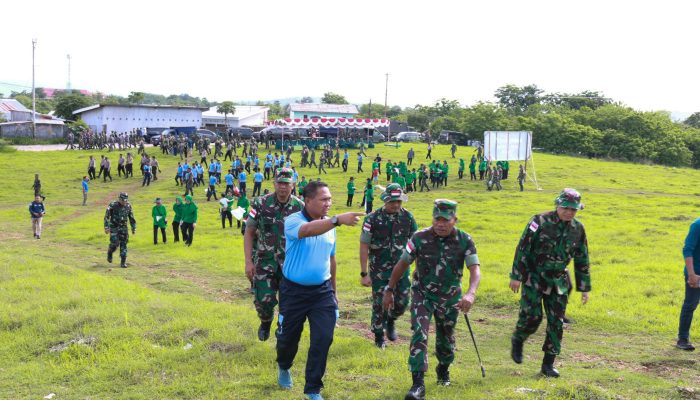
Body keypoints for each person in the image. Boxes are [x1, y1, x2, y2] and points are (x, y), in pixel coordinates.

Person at [383, 199, 481, 400]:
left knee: (446, 338)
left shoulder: (465, 240)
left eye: (446, 220)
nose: (440, 224)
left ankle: (443, 369)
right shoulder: (419, 238)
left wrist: (470, 293)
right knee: (420, 332)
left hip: (450, 297)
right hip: (423, 294)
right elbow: (402, 264)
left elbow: (474, 269)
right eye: (437, 219)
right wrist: (389, 289)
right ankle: (417, 385)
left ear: (454, 219)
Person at [275, 181, 364, 400]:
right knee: (287, 340)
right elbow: (307, 231)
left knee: (323, 338)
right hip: (293, 292)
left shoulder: (330, 227)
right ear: (307, 201)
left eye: (330, 199)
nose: (328, 203)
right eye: (323, 199)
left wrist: (333, 294)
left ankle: (312, 389)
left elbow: (331, 260)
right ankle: (284, 366)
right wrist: (336, 220)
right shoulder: (293, 220)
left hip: (321, 293)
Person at [509, 188, 590, 378]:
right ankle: (519, 338)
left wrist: (584, 287)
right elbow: (523, 247)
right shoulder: (539, 221)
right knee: (532, 317)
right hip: (534, 277)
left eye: (573, 209)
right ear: (557, 205)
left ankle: (548, 364)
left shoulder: (578, 229)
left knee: (556, 323)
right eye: (565, 208)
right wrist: (516, 275)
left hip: (559, 281)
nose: (569, 212)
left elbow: (582, 258)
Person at [244, 168, 305, 341]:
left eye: (286, 184)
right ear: (274, 184)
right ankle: (265, 322)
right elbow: (249, 231)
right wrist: (248, 261)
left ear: (292, 186)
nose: (283, 187)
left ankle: (282, 327)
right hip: (264, 262)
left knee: (289, 303)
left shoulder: (300, 207)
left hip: (290, 264)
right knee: (263, 300)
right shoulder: (260, 203)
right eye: (280, 183)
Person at [360, 184, 417, 348]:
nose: (396, 205)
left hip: (401, 269)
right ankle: (379, 337)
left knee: (403, 301)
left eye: (399, 201)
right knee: (380, 303)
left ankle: (391, 319)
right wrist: (364, 273)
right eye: (393, 201)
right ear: (385, 200)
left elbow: (416, 245)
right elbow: (364, 245)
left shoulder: (408, 218)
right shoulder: (372, 219)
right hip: (379, 270)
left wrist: (418, 270)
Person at [677, 217, 700, 351]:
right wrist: (691, 274)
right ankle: (682, 339)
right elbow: (687, 249)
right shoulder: (697, 225)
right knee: (691, 304)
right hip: (696, 273)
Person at [104, 192, 136, 268]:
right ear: (119, 199)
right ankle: (110, 252)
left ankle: (123, 262)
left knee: (124, 244)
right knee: (115, 243)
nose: (124, 202)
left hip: (124, 228)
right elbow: (107, 216)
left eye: (126, 200)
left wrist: (133, 227)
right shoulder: (112, 205)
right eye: (123, 200)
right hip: (114, 227)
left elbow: (131, 217)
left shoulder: (128, 206)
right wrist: (106, 227)